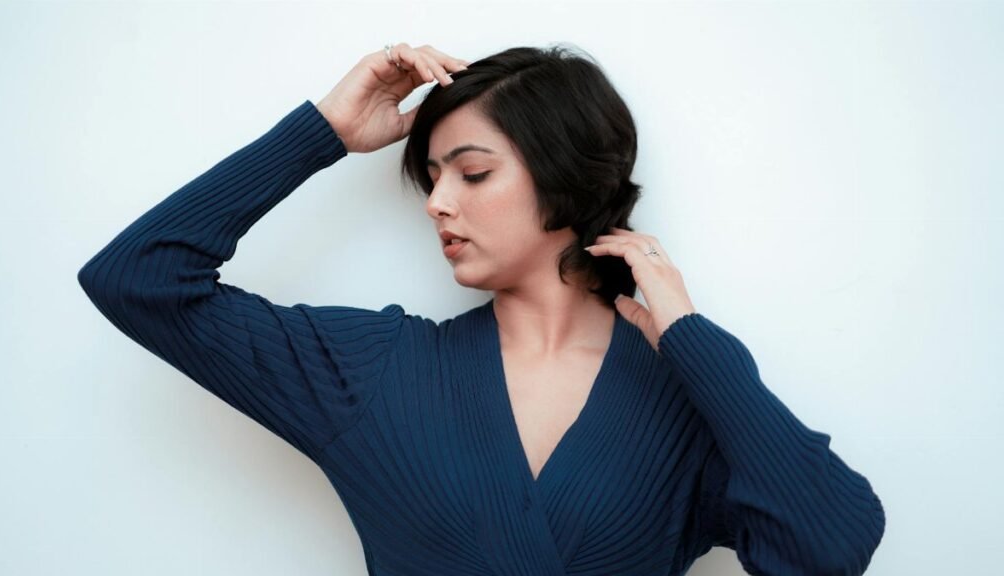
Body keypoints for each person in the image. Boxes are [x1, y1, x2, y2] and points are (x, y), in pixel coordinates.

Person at [78, 43, 886, 575]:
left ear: (565, 178)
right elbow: (137, 280)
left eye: (470, 173)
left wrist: (693, 343)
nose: (436, 203)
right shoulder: (373, 370)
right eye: (429, 178)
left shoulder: (684, 398)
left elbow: (831, 546)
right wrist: (320, 131)